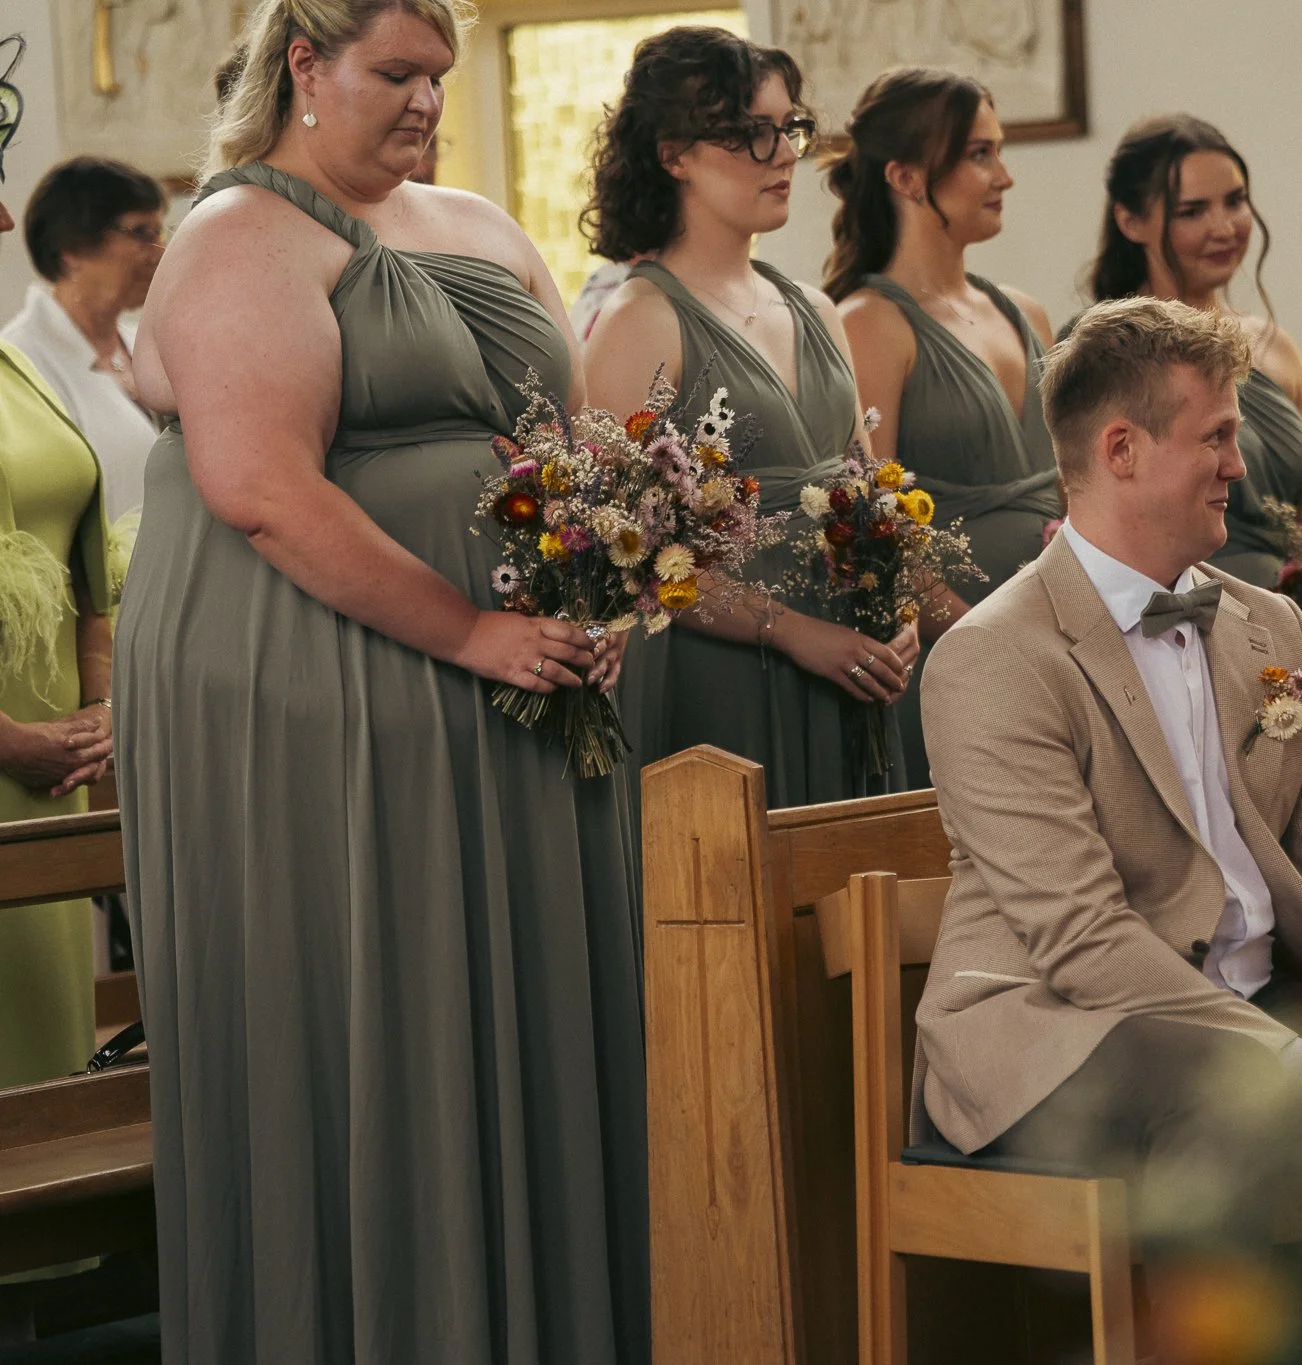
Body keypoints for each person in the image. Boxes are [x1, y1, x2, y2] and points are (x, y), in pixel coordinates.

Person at [114, 2, 647, 1361]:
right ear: (304, 64)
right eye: (396, 74)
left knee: (528, 1010)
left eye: (439, 77)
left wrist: (613, 576)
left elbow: (577, 443)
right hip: (318, 681)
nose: (426, 102)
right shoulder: (237, 238)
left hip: (523, 675)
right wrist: (471, 634)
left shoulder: (473, 222)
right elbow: (261, 489)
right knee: (374, 1004)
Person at [913, 297, 1302, 1258]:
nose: (1241, 464)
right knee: (1282, 1143)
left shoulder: (1273, 628)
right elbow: (1085, 943)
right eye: (1216, 436)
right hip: (1072, 1033)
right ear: (1123, 449)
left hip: (1261, 1005)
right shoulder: (994, 658)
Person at [583, 26, 918, 807]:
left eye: (788, 128)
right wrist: (793, 632)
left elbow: (871, 492)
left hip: (849, 658)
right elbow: (627, 555)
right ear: (673, 154)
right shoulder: (642, 320)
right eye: (747, 133)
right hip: (720, 681)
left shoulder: (816, 308)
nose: (782, 154)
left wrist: (894, 606)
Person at [826, 67, 1059, 788]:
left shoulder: (1028, 312)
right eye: (979, 154)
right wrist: (984, 639)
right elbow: (873, 532)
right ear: (904, 176)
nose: (1005, 176)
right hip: (953, 656)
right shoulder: (868, 323)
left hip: (1061, 642)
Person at [0, 44, 115, 1102]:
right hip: (8, 752)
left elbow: (87, 551)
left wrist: (96, 707)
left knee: (51, 1054)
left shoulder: (17, 367)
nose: (4, 221)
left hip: (52, 773)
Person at [1084, 115, 1302, 589]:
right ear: (1131, 221)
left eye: (1235, 202)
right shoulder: (1106, 350)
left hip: (1295, 621)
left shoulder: (1276, 346)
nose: (1224, 228)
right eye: (1192, 211)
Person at [2, 156, 166, 521]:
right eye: (142, 233)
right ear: (72, 248)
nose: (160, 251)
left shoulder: (145, 342)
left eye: (159, 232)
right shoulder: (19, 365)